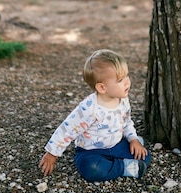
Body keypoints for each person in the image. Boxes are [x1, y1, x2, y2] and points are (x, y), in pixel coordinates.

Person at [39, 49, 151, 182]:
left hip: (116, 145)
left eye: (127, 76)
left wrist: (133, 139)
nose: (127, 82)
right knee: (91, 169)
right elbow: (67, 129)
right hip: (90, 151)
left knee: (145, 156)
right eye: (121, 80)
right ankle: (124, 167)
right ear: (102, 88)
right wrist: (52, 153)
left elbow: (127, 122)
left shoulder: (122, 100)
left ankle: (126, 151)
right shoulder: (89, 109)